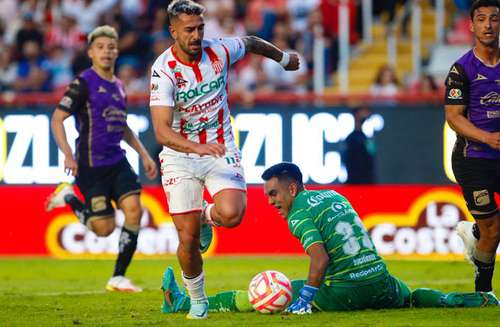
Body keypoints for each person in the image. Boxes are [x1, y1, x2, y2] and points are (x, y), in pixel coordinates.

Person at [159, 162, 498, 314]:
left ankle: (186, 302)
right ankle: (476, 300)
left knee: (266, 291)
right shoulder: (335, 195)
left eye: (275, 193)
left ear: (292, 187)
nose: (272, 201)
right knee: (412, 296)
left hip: (348, 293)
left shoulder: (299, 213)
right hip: (381, 282)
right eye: (268, 197)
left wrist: (305, 298)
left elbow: (320, 259)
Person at [149, 0, 299, 320]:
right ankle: (198, 299)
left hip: (221, 147)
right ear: (173, 31)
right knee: (188, 241)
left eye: (200, 28)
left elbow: (252, 42)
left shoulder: (219, 50)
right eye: (189, 30)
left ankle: (207, 215)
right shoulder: (164, 71)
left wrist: (284, 58)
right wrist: (194, 147)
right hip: (179, 157)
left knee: (232, 215)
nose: (196, 35)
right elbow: (161, 132)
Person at [45, 25, 158, 292]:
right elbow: (58, 118)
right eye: (100, 47)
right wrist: (68, 155)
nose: (106, 51)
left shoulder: (119, 86)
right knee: (104, 229)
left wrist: (143, 155)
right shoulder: (83, 83)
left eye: (111, 47)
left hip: (117, 162)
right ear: (91, 53)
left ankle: (118, 276)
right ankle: (69, 197)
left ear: (117, 52)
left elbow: (123, 126)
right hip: (90, 165)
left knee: (134, 210)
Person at [444, 0, 500, 294]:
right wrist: (488, 137)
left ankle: (475, 231)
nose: (488, 25)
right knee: (494, 230)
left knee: (490, 229)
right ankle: (483, 293)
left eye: (493, 18)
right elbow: (453, 117)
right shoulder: (462, 69)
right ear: (472, 25)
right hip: (473, 158)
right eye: (482, 19)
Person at [344, 106, 376, 184]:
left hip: (367, 181)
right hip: (353, 181)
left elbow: (372, 155)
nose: (365, 114)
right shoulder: (350, 138)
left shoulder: (368, 138)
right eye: (362, 112)